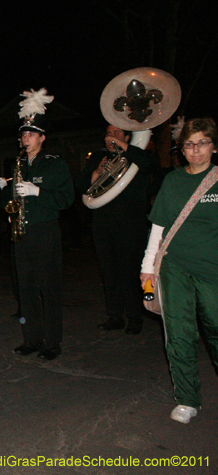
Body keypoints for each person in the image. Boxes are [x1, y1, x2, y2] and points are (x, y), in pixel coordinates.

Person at [140, 117, 218, 424]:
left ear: (214, 145)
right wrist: (148, 269)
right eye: (189, 144)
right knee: (179, 334)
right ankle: (187, 398)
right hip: (175, 268)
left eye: (202, 143)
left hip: (213, 269)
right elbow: (158, 228)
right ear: (181, 148)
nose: (196, 151)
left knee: (216, 328)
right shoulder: (172, 181)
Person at [0, 88, 74, 361]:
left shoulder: (54, 164)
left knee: (48, 288)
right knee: (25, 289)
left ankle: (53, 341)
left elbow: (67, 198)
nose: (26, 138)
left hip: (45, 231)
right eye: (23, 134)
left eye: (31, 134)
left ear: (42, 137)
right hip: (21, 233)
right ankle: (32, 339)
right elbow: (8, 202)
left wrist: (38, 193)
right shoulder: (17, 166)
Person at [75, 124, 156, 334]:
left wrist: (122, 146)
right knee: (109, 271)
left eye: (117, 134)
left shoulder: (136, 155)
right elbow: (81, 185)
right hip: (103, 222)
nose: (110, 137)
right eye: (108, 133)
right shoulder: (98, 157)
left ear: (128, 137)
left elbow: (149, 165)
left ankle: (135, 317)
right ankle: (115, 315)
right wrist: (96, 172)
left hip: (130, 223)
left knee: (129, 271)